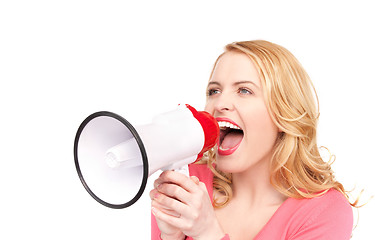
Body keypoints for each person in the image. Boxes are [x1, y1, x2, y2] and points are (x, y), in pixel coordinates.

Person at [149, 40, 355, 240]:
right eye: (214, 91)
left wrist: (207, 233)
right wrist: (170, 237)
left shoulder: (323, 212)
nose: (220, 103)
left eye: (244, 90)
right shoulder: (188, 184)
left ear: (284, 111)